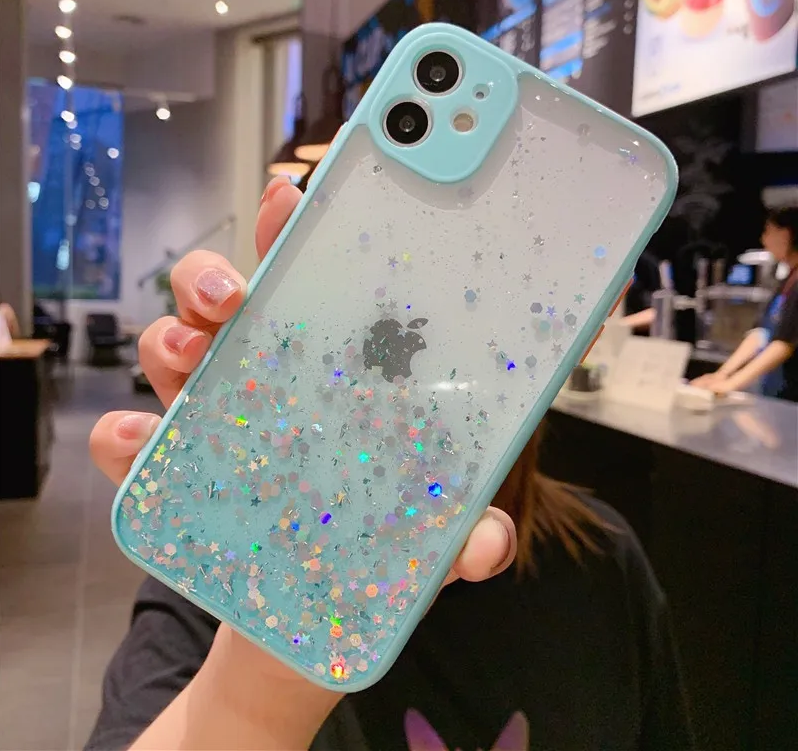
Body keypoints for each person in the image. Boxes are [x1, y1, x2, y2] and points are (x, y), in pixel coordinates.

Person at [85, 178, 693, 751]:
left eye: (481, 308)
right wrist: (264, 682)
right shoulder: (231, 570)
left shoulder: (603, 563)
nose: (412, 371)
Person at [693, 207, 798, 402]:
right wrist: (722, 375)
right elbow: (760, 333)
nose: (763, 239)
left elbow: (784, 344)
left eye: (768, 231)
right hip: (773, 393)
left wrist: (732, 384)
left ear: (786, 234)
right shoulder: (786, 281)